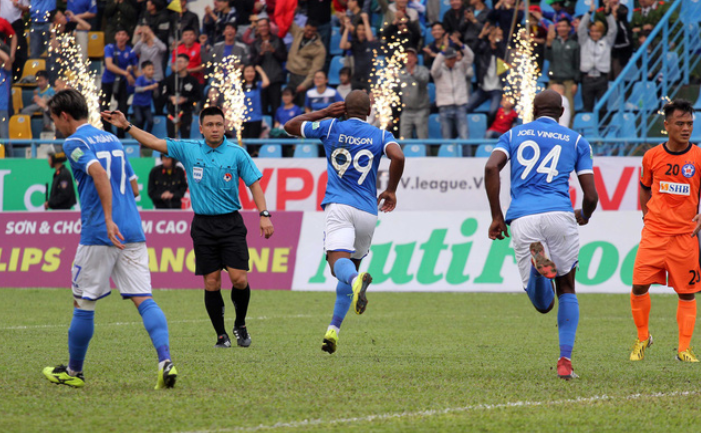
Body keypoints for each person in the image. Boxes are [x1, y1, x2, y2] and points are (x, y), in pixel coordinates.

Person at [100, 105, 275, 349]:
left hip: (231, 223)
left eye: (219, 124)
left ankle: (240, 324)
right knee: (211, 282)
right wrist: (127, 126)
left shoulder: (237, 153)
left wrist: (264, 214)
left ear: (224, 126)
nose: (215, 129)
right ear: (201, 128)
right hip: (203, 225)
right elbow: (153, 142)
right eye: (210, 125)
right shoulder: (189, 149)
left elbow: (254, 184)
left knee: (239, 279)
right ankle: (221, 335)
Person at [43, 89, 177, 389]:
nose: (55, 126)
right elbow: (135, 188)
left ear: (65, 116)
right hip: (133, 230)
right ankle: (165, 361)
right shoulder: (112, 139)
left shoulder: (74, 142)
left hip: (101, 232)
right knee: (144, 298)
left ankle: (74, 372)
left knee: (83, 302)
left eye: (54, 119)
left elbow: (99, 174)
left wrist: (107, 217)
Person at [484, 89, 598, 380]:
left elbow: (491, 167)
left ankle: (538, 272)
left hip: (524, 218)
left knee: (543, 305)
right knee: (566, 287)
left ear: (533, 111)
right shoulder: (576, 140)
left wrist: (497, 216)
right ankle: (565, 361)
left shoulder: (513, 135)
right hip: (560, 214)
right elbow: (591, 196)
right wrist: (584, 215)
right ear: (562, 112)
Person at [284, 91, 405, 354]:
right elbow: (399, 157)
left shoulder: (330, 126)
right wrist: (391, 190)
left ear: (344, 109)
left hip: (339, 206)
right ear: (369, 110)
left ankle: (355, 280)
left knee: (337, 267)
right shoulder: (381, 135)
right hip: (368, 212)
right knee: (350, 270)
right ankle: (333, 330)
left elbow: (290, 126)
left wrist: (325, 112)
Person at [629, 100, 701, 363]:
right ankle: (642, 337)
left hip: (685, 235)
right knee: (639, 285)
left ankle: (684, 349)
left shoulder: (699, 157)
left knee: (686, 292)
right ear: (666, 125)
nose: (686, 129)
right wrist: (645, 215)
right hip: (655, 234)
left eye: (689, 124)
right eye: (680, 123)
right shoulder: (652, 156)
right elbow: (644, 187)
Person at [578, 2, 617, 113]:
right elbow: (581, 28)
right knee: (587, 107)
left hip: (602, 79)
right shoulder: (584, 41)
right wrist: (589, 13)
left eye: (598, 31)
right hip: (587, 79)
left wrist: (608, 14)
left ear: (602, 32)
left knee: (602, 108)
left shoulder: (607, 42)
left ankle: (603, 124)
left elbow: (613, 29)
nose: (594, 33)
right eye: (592, 31)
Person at [100, 28, 138, 138]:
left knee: (123, 108)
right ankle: (108, 133)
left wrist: (143, 80)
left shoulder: (130, 51)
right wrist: (126, 73)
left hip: (121, 82)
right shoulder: (109, 48)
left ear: (128, 37)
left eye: (123, 34)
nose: (121, 37)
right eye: (119, 34)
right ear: (115, 37)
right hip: (107, 81)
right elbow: (109, 65)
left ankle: (121, 135)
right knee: (104, 108)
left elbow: (136, 69)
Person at [431, 45, 474, 141]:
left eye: (453, 58)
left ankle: (466, 152)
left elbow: (470, 56)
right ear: (445, 59)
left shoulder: (461, 67)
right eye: (449, 58)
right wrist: (442, 52)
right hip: (445, 107)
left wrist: (461, 45)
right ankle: (448, 152)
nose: (452, 61)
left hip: (460, 106)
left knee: (464, 136)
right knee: (446, 137)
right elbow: (434, 69)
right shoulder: (439, 70)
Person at [285, 20, 326, 107]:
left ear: (316, 31)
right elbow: (288, 21)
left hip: (304, 77)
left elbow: (315, 70)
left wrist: (305, 84)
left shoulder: (320, 48)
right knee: (290, 105)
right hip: (291, 75)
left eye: (313, 31)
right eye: (308, 30)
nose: (310, 33)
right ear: (304, 26)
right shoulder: (298, 32)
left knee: (304, 106)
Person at [545, 18, 579, 123]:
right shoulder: (553, 42)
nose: (561, 28)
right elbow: (547, 57)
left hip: (568, 81)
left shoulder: (574, 44)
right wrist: (548, 43)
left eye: (564, 26)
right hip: (553, 80)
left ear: (569, 28)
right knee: (547, 109)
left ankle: (568, 131)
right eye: (559, 26)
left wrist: (576, 82)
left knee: (569, 110)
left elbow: (577, 63)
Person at [161, 53, 201, 139]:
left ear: (187, 63)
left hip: (186, 112)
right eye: (176, 62)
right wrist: (171, 98)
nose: (178, 64)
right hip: (172, 113)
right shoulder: (169, 79)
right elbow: (163, 95)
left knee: (185, 138)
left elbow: (198, 96)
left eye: (180, 62)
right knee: (171, 138)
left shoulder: (193, 81)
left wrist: (185, 99)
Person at [398, 47, 430, 140]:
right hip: (406, 111)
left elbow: (424, 81)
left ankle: (425, 150)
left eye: (411, 56)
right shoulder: (400, 73)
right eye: (406, 56)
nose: (408, 58)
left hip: (421, 110)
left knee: (422, 138)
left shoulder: (422, 70)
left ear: (416, 59)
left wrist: (414, 74)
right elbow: (395, 88)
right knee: (403, 138)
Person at [44, 145, 77, 210]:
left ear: (54, 158)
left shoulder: (63, 174)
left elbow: (64, 195)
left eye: (49, 157)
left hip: (63, 212)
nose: (48, 160)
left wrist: (50, 203)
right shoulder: (59, 173)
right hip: (59, 211)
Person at [132, 60, 158, 133]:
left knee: (150, 121)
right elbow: (137, 89)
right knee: (139, 120)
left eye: (152, 69)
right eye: (149, 69)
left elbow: (156, 95)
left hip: (146, 105)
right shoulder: (140, 79)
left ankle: (147, 135)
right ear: (143, 70)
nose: (152, 71)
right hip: (137, 104)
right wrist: (149, 87)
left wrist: (156, 89)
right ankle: (136, 134)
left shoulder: (153, 81)